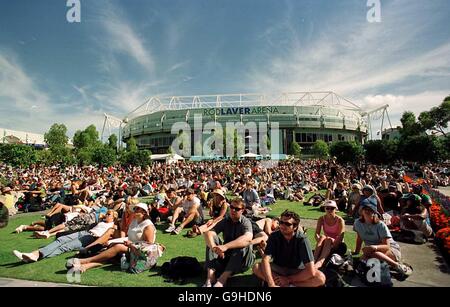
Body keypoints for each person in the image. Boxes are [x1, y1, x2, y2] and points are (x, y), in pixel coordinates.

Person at [66, 203, 158, 273]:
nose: (135, 210)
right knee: (113, 253)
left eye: (137, 209)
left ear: (144, 212)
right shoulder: (135, 221)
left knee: (118, 247)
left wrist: (130, 244)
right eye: (135, 208)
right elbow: (128, 237)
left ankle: (86, 261)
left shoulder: (148, 225)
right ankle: (87, 266)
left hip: (141, 253)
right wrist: (113, 241)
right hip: (131, 247)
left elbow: (149, 246)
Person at [252, 210, 325, 287]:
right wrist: (271, 283)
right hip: (278, 268)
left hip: (297, 271)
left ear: (295, 227)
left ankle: (287, 284)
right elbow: (266, 259)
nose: (283, 226)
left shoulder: (302, 240)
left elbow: (310, 271)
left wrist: (288, 279)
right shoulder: (274, 236)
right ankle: (280, 284)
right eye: (281, 222)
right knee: (257, 267)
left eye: (287, 224)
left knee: (320, 278)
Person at [13, 210, 118, 262]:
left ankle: (36, 254)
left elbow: (109, 236)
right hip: (85, 233)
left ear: (114, 217)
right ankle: (35, 255)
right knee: (61, 239)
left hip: (91, 238)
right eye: (107, 213)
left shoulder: (113, 226)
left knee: (65, 247)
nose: (106, 215)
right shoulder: (101, 221)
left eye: (109, 214)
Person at [353, 199, 412, 278]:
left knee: (372, 255)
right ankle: (385, 266)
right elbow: (359, 238)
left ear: (374, 212)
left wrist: (374, 247)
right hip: (371, 250)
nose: (367, 211)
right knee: (363, 259)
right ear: (362, 210)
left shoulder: (380, 225)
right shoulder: (357, 223)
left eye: (370, 209)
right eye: (365, 209)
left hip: (391, 249)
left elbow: (386, 246)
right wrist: (356, 251)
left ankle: (397, 265)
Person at [203, 199, 255, 287]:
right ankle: (210, 277)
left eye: (237, 209)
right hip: (227, 256)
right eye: (231, 207)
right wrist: (214, 248)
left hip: (243, 260)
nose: (233, 210)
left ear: (242, 210)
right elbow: (210, 233)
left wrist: (226, 246)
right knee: (212, 239)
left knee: (243, 243)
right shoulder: (226, 220)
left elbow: (248, 238)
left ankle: (222, 280)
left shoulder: (246, 222)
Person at [313, 200, 346, 269]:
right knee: (322, 237)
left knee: (328, 239)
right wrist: (320, 241)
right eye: (327, 208)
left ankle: (320, 262)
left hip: (338, 245)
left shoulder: (340, 220)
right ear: (324, 209)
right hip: (326, 243)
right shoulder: (321, 219)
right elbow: (316, 234)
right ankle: (314, 259)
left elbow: (340, 236)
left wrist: (331, 246)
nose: (329, 210)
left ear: (335, 209)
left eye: (332, 208)